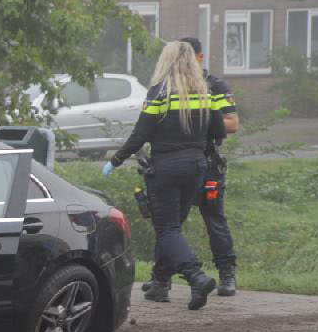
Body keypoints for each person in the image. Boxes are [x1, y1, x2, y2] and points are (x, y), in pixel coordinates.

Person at [102, 41, 227, 311]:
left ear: (166, 61)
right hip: (196, 167)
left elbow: (141, 133)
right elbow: (219, 132)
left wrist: (116, 159)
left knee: (167, 228)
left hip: (166, 168)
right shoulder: (205, 92)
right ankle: (160, 284)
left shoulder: (160, 93)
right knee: (174, 227)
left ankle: (196, 276)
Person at [142, 36, 239, 299]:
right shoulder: (168, 86)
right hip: (180, 161)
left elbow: (231, 123)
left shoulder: (214, 86)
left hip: (205, 161)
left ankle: (227, 274)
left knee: (213, 217)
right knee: (170, 224)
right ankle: (161, 280)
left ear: (200, 58)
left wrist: (197, 120)